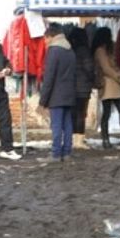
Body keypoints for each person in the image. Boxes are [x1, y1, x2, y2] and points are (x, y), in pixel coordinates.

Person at [38, 23, 76, 162]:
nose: (45, 42)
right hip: (69, 94)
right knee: (67, 125)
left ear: (51, 37)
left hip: (56, 95)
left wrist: (43, 101)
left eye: (45, 39)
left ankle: (55, 154)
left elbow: (49, 77)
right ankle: (66, 153)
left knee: (56, 126)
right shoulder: (70, 49)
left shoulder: (54, 51)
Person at [92, 27, 120, 148]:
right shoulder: (100, 51)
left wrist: (118, 74)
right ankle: (108, 139)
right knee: (109, 113)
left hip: (113, 84)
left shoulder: (105, 50)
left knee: (119, 111)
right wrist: (118, 76)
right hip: (108, 84)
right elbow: (106, 68)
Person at [68, 26, 95, 150]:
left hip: (71, 86)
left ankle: (74, 139)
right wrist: (93, 79)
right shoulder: (84, 51)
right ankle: (79, 140)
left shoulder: (70, 50)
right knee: (81, 114)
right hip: (83, 87)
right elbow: (89, 69)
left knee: (73, 114)